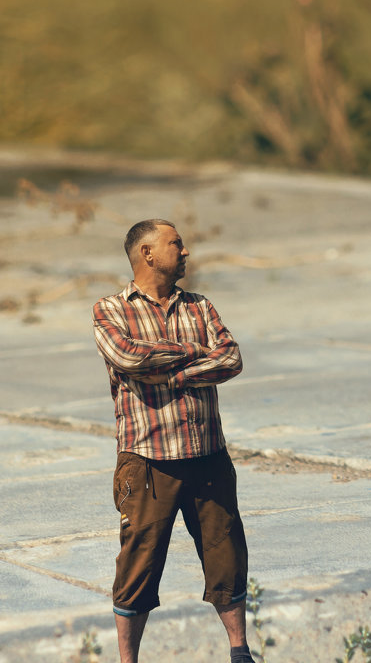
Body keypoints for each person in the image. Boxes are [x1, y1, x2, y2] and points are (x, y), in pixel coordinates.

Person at [93, 219, 253, 663]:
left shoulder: (200, 306)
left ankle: (239, 651)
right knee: (139, 563)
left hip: (208, 455)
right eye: (176, 244)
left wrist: (167, 367)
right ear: (147, 253)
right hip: (148, 459)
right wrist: (194, 352)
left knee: (227, 552)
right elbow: (127, 356)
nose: (185, 252)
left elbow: (232, 358)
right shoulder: (110, 309)